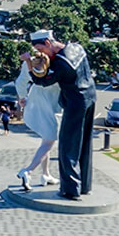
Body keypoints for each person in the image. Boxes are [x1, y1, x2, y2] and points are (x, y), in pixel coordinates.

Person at [27, 30, 96, 199]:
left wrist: (29, 63)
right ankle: (85, 185)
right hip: (90, 97)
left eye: (40, 49)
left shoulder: (61, 63)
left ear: (48, 43)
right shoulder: (76, 47)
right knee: (84, 143)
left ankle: (70, 190)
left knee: (68, 146)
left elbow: (42, 81)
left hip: (75, 103)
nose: (40, 54)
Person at [14, 54, 61, 192]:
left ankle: (46, 174)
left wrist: (22, 96)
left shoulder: (30, 62)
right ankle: (28, 171)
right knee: (49, 141)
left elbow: (20, 82)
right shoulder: (57, 62)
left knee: (45, 140)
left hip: (36, 99)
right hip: (52, 103)